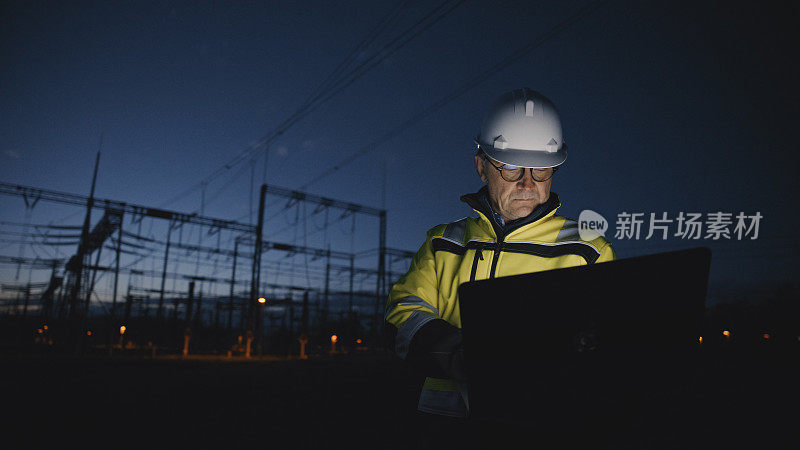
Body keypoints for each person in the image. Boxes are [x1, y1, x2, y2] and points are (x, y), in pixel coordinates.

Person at [384, 88, 616, 444]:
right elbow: (404, 311)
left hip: (540, 428)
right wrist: (455, 354)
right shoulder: (443, 243)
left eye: (540, 169)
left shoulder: (586, 250)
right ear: (482, 166)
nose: (527, 182)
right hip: (443, 429)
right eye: (510, 167)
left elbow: (607, 343)